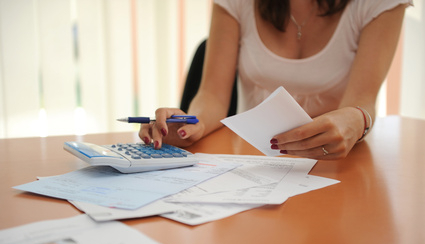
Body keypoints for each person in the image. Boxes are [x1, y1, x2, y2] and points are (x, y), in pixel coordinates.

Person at [139, 0, 412, 160]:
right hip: (253, 164)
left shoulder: (379, 4)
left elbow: (362, 102)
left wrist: (357, 119)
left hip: (335, 163)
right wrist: (189, 123)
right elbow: (212, 95)